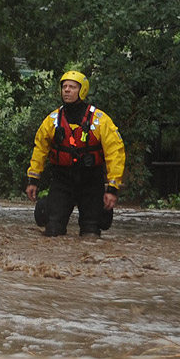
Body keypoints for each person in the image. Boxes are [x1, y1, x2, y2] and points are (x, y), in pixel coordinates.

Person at [25, 70, 125, 238]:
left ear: (82, 91)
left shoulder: (100, 120)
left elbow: (115, 153)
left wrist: (112, 188)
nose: (67, 90)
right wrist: (32, 180)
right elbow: (39, 150)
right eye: (64, 87)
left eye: (72, 87)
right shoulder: (52, 120)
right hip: (62, 180)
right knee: (53, 230)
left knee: (91, 232)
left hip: (91, 180)